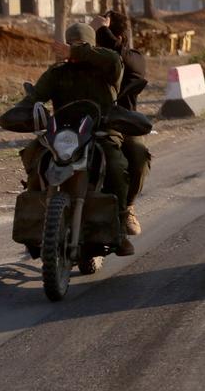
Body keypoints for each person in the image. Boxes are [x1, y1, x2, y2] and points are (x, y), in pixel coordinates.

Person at [10, 22, 135, 256]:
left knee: (117, 166)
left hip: (101, 130)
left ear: (91, 47)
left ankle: (120, 227)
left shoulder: (107, 68)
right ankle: (36, 221)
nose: (73, 51)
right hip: (64, 134)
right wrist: (18, 113)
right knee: (33, 156)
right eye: (70, 45)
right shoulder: (57, 73)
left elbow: (112, 60)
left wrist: (78, 52)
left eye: (81, 46)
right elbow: (36, 96)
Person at [90, 11, 151, 237]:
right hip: (82, 123)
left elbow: (122, 58)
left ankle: (127, 208)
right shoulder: (84, 57)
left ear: (119, 38)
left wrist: (102, 30)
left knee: (138, 156)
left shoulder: (133, 58)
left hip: (120, 122)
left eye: (102, 37)